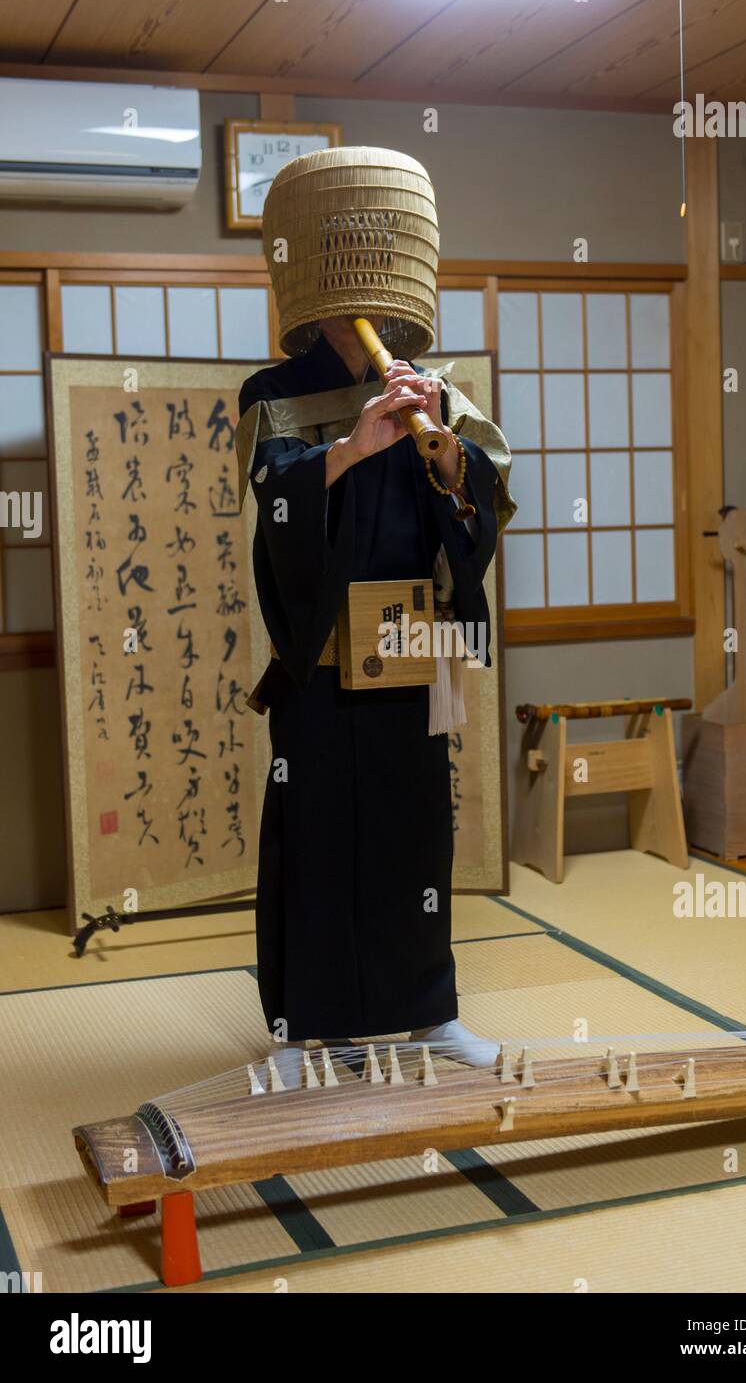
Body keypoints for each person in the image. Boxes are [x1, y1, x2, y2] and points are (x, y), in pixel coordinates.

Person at [236, 148, 515, 1085]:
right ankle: (303, 1034)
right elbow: (276, 510)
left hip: (410, 647)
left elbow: (475, 515)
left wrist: (444, 457)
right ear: (312, 284)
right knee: (315, 837)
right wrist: (355, 445)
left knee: (412, 838)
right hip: (319, 652)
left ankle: (427, 1015)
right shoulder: (273, 394)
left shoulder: (436, 388)